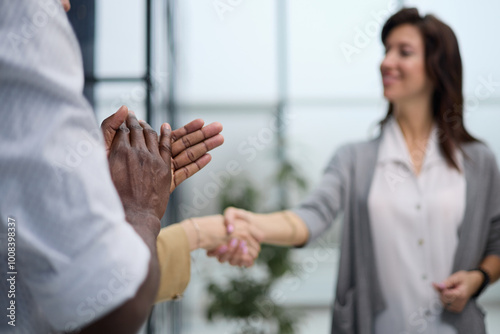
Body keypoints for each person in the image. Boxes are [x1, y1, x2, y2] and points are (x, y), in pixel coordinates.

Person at [208, 8, 500, 334]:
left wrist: (478, 278)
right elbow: (312, 215)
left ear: (437, 67)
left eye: (403, 52)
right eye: (386, 50)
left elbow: (497, 240)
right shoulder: (354, 159)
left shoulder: (478, 161)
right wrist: (255, 224)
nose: (386, 62)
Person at [0, 1, 258, 333]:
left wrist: (86, 184)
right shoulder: (24, 12)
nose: (65, 5)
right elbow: (113, 304)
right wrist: (140, 210)